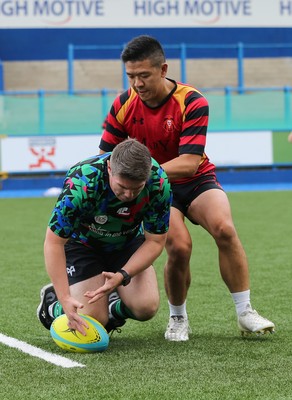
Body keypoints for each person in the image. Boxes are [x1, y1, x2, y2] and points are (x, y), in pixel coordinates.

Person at [99, 35, 275, 341]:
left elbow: (189, 163)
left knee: (225, 229)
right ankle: (178, 318)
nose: (137, 84)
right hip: (155, 189)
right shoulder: (122, 105)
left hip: (194, 180)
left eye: (144, 75)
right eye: (131, 76)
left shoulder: (192, 101)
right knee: (178, 247)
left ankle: (245, 312)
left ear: (163, 69)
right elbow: (106, 157)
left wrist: (141, 172)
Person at [37, 139, 172, 335]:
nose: (128, 194)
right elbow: (54, 242)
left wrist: (122, 275)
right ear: (109, 168)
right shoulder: (82, 181)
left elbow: (155, 241)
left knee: (146, 307)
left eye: (137, 188)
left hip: (127, 243)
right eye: (122, 187)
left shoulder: (159, 183)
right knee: (92, 320)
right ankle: (52, 305)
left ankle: (111, 308)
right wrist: (65, 297)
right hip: (83, 245)